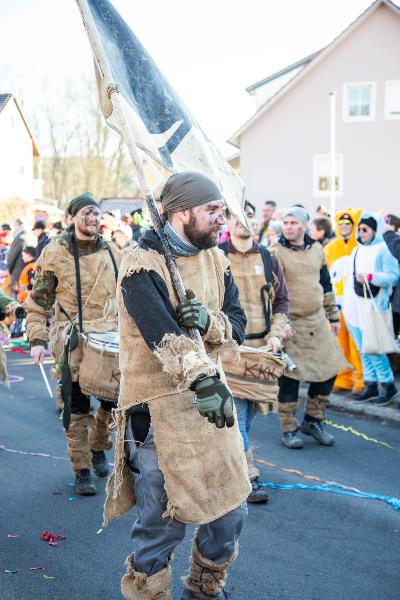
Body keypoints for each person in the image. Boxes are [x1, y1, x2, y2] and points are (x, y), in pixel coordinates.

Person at [106, 172, 250, 600]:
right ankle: (148, 592)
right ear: (181, 211)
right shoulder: (140, 264)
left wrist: (210, 321)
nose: (221, 218)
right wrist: (203, 378)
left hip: (213, 404)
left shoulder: (218, 260)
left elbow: (238, 324)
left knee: (230, 510)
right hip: (158, 413)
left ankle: (205, 588)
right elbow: (163, 337)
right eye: (212, 210)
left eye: (221, 209)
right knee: (164, 520)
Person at [26, 193, 122, 495]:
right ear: (72, 218)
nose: (92, 218)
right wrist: (38, 339)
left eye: (96, 213)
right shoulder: (54, 254)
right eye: (86, 213)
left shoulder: (115, 252)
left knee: (112, 404)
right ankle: (81, 468)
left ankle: (98, 447)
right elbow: (40, 301)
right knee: (76, 407)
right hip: (73, 343)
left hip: (110, 341)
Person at [220, 210, 289, 503]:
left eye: (247, 214)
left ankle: (230, 466)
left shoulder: (267, 256)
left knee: (249, 414)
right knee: (237, 418)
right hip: (230, 350)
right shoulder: (216, 255)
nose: (242, 221)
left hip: (262, 350)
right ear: (228, 221)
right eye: (236, 215)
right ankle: (249, 477)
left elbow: (282, 300)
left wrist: (277, 331)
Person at [274, 207, 348, 449]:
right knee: (290, 378)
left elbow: (325, 284)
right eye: (286, 222)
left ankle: (313, 420)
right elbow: (269, 292)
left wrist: (333, 316)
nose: (288, 227)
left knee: (329, 370)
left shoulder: (317, 250)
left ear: (305, 226)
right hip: (289, 323)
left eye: (294, 222)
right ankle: (289, 428)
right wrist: (277, 325)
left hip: (317, 321)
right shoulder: (275, 252)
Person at [343, 212, 399, 406]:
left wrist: (370, 277)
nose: (361, 232)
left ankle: (388, 385)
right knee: (362, 348)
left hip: (374, 305)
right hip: (354, 306)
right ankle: (371, 384)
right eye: (359, 229)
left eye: (365, 229)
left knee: (375, 348)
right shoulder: (356, 251)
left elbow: (393, 276)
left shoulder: (384, 250)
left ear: (374, 230)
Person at [325, 209, 364, 395]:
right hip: (338, 303)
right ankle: (343, 378)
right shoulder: (331, 247)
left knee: (357, 343)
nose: (344, 227)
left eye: (348, 224)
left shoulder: (361, 245)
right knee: (340, 343)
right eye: (341, 224)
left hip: (357, 302)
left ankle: (362, 379)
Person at [7, 219, 26, 298]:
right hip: (28, 273)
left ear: (16, 226)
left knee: (16, 299)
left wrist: (10, 271)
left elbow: (10, 259)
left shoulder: (18, 238)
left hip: (17, 274)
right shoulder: (30, 236)